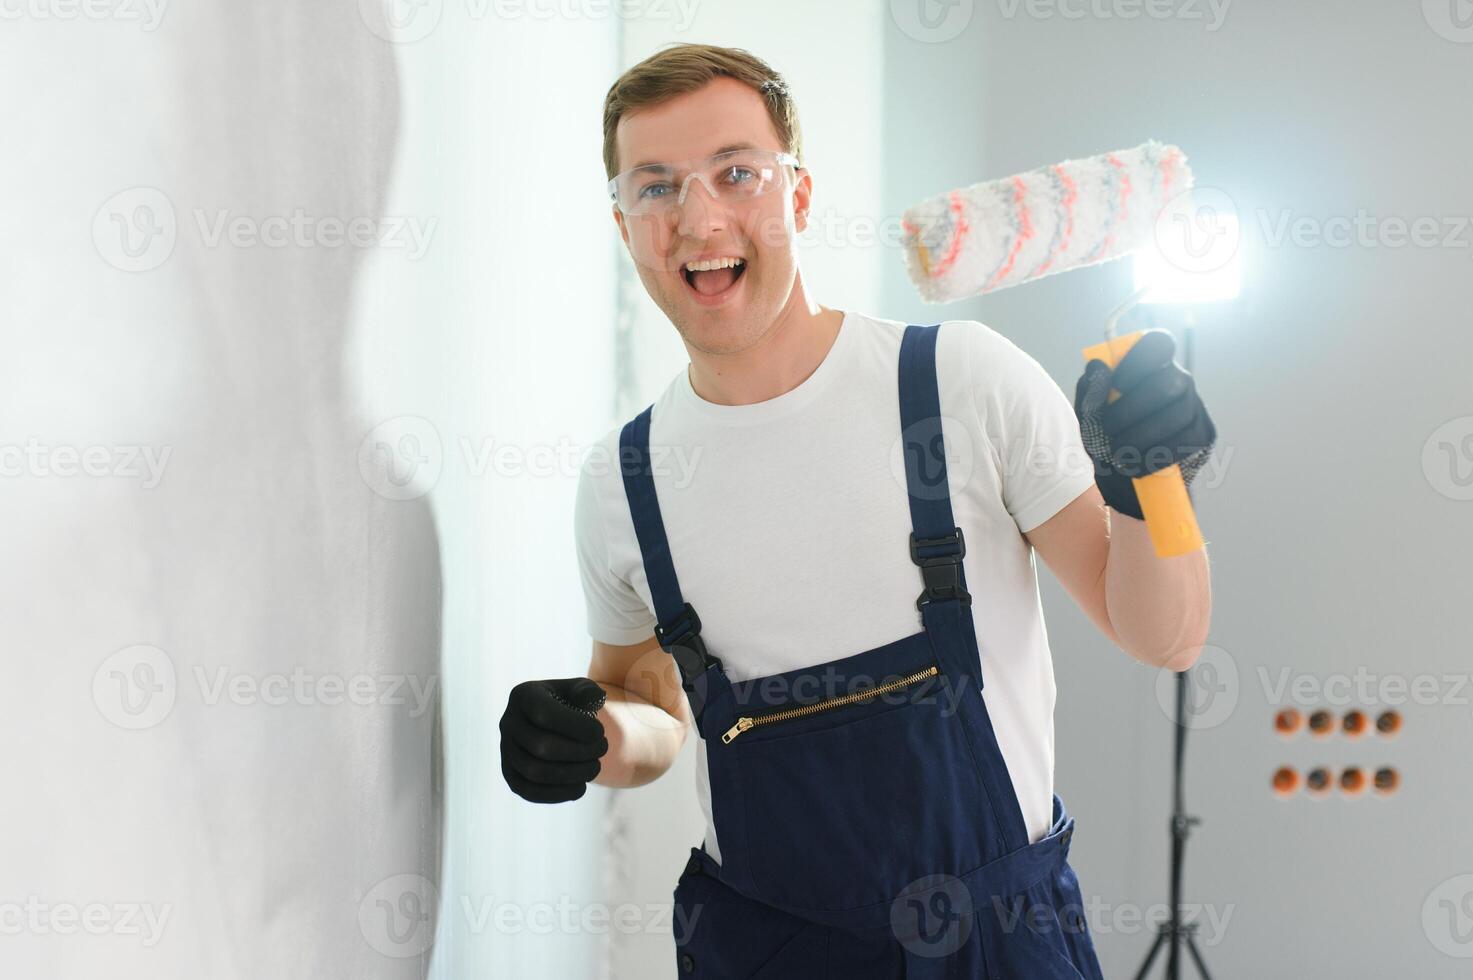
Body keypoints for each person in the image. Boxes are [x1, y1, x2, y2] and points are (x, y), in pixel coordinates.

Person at [499, 42, 1216, 979]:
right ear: (624, 223)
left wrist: (1146, 484)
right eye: (656, 187)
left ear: (797, 196)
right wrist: (588, 739)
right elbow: (653, 711)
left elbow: (1163, 634)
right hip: (768, 951)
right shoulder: (623, 479)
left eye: (737, 173)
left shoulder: (960, 380)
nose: (698, 218)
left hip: (1000, 947)